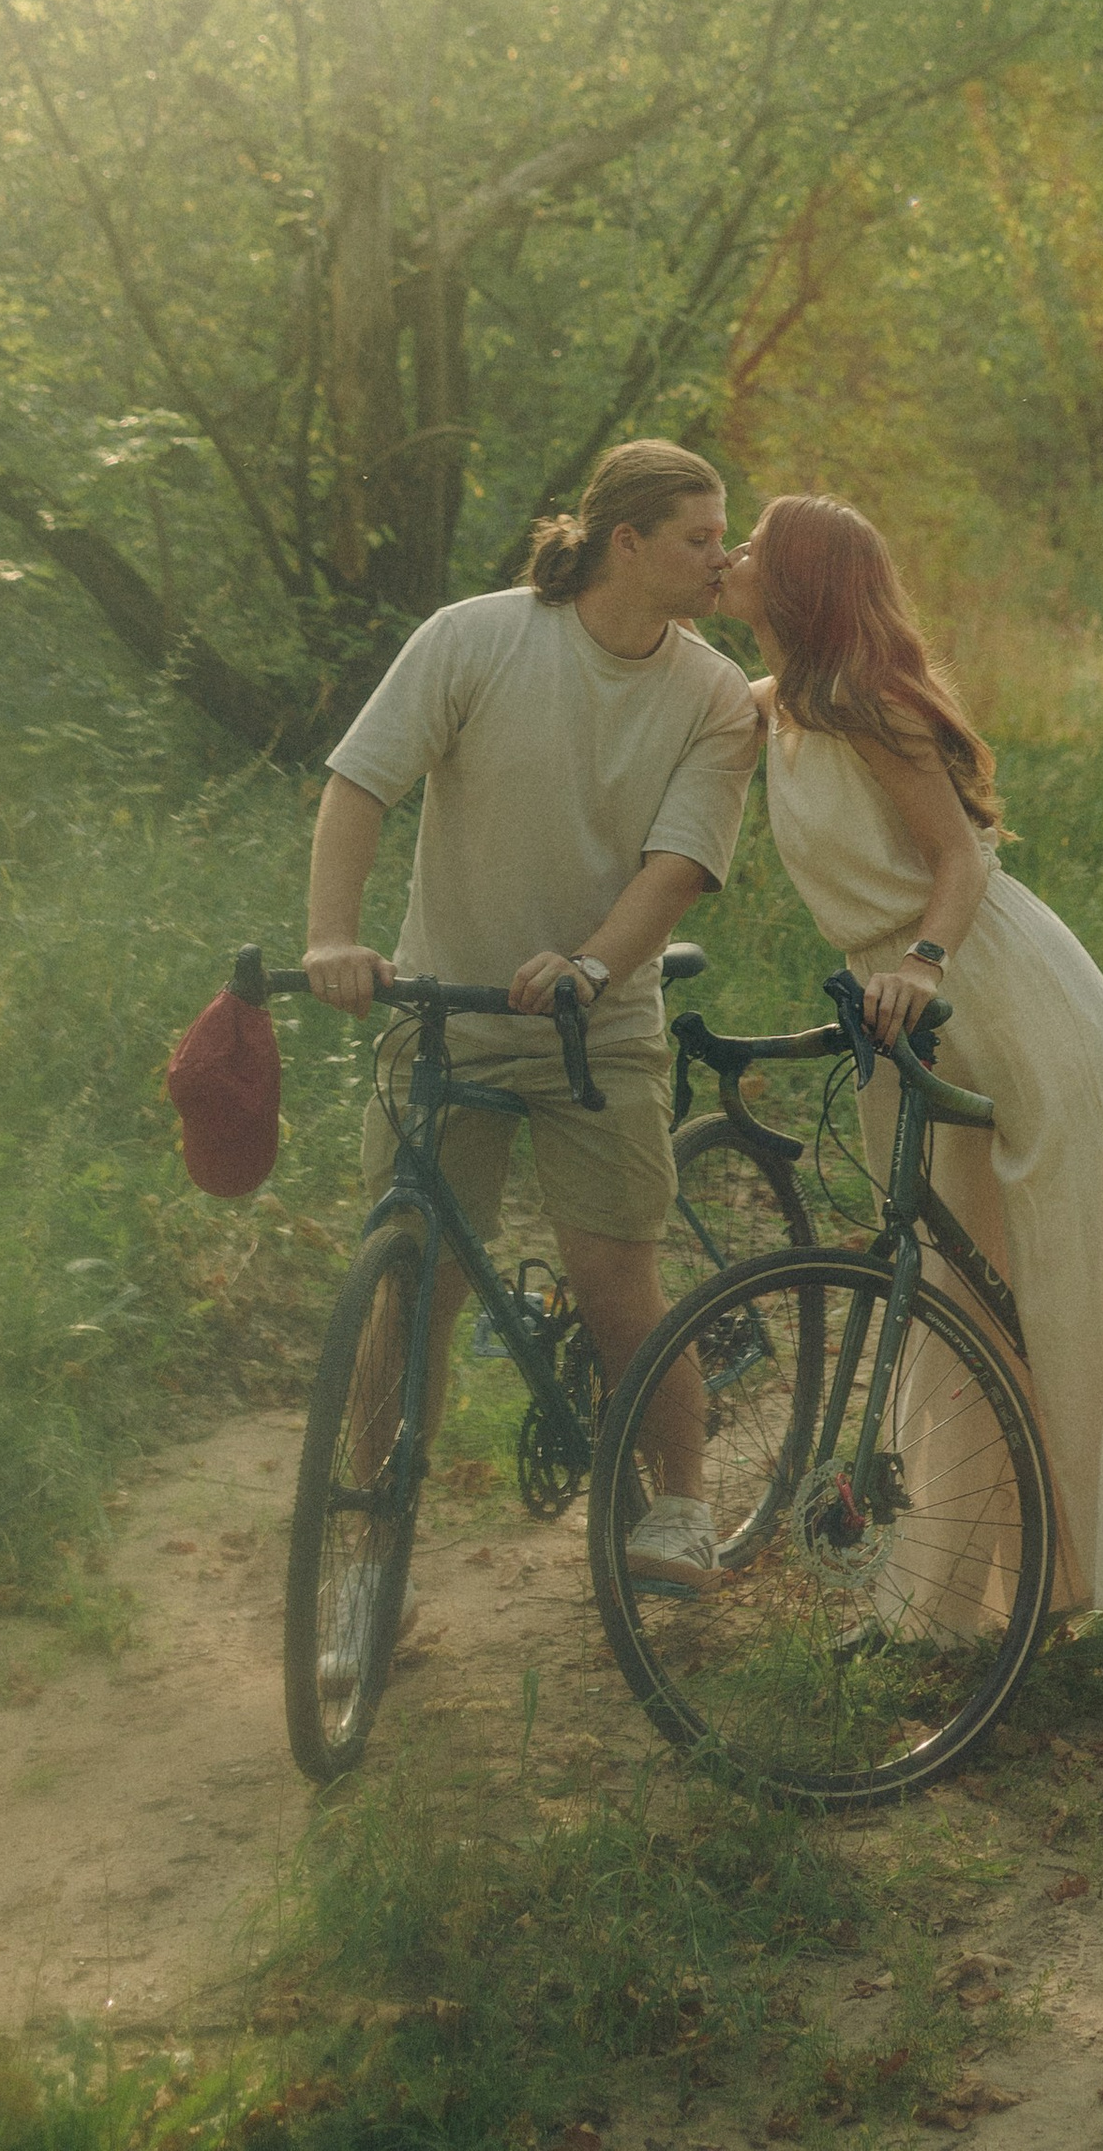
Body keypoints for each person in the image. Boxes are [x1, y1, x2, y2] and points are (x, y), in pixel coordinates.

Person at [717, 494, 1103, 1634]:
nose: (728, 561)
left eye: (750, 550)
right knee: (965, 1292)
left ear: (798, 585)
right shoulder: (766, 709)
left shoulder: (869, 706)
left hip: (996, 988)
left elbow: (957, 862)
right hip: (905, 1016)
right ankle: (986, 1585)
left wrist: (921, 958)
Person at [303, 437, 759, 1595]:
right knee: (409, 1294)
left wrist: (594, 970)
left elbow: (679, 866)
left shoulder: (713, 695)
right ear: (628, 543)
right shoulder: (475, 638)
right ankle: (370, 1554)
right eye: (700, 539)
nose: (724, 559)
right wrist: (331, 937)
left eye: (724, 537)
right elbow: (361, 783)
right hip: (445, 1007)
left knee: (616, 1286)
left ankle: (683, 1508)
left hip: (594, 1026)